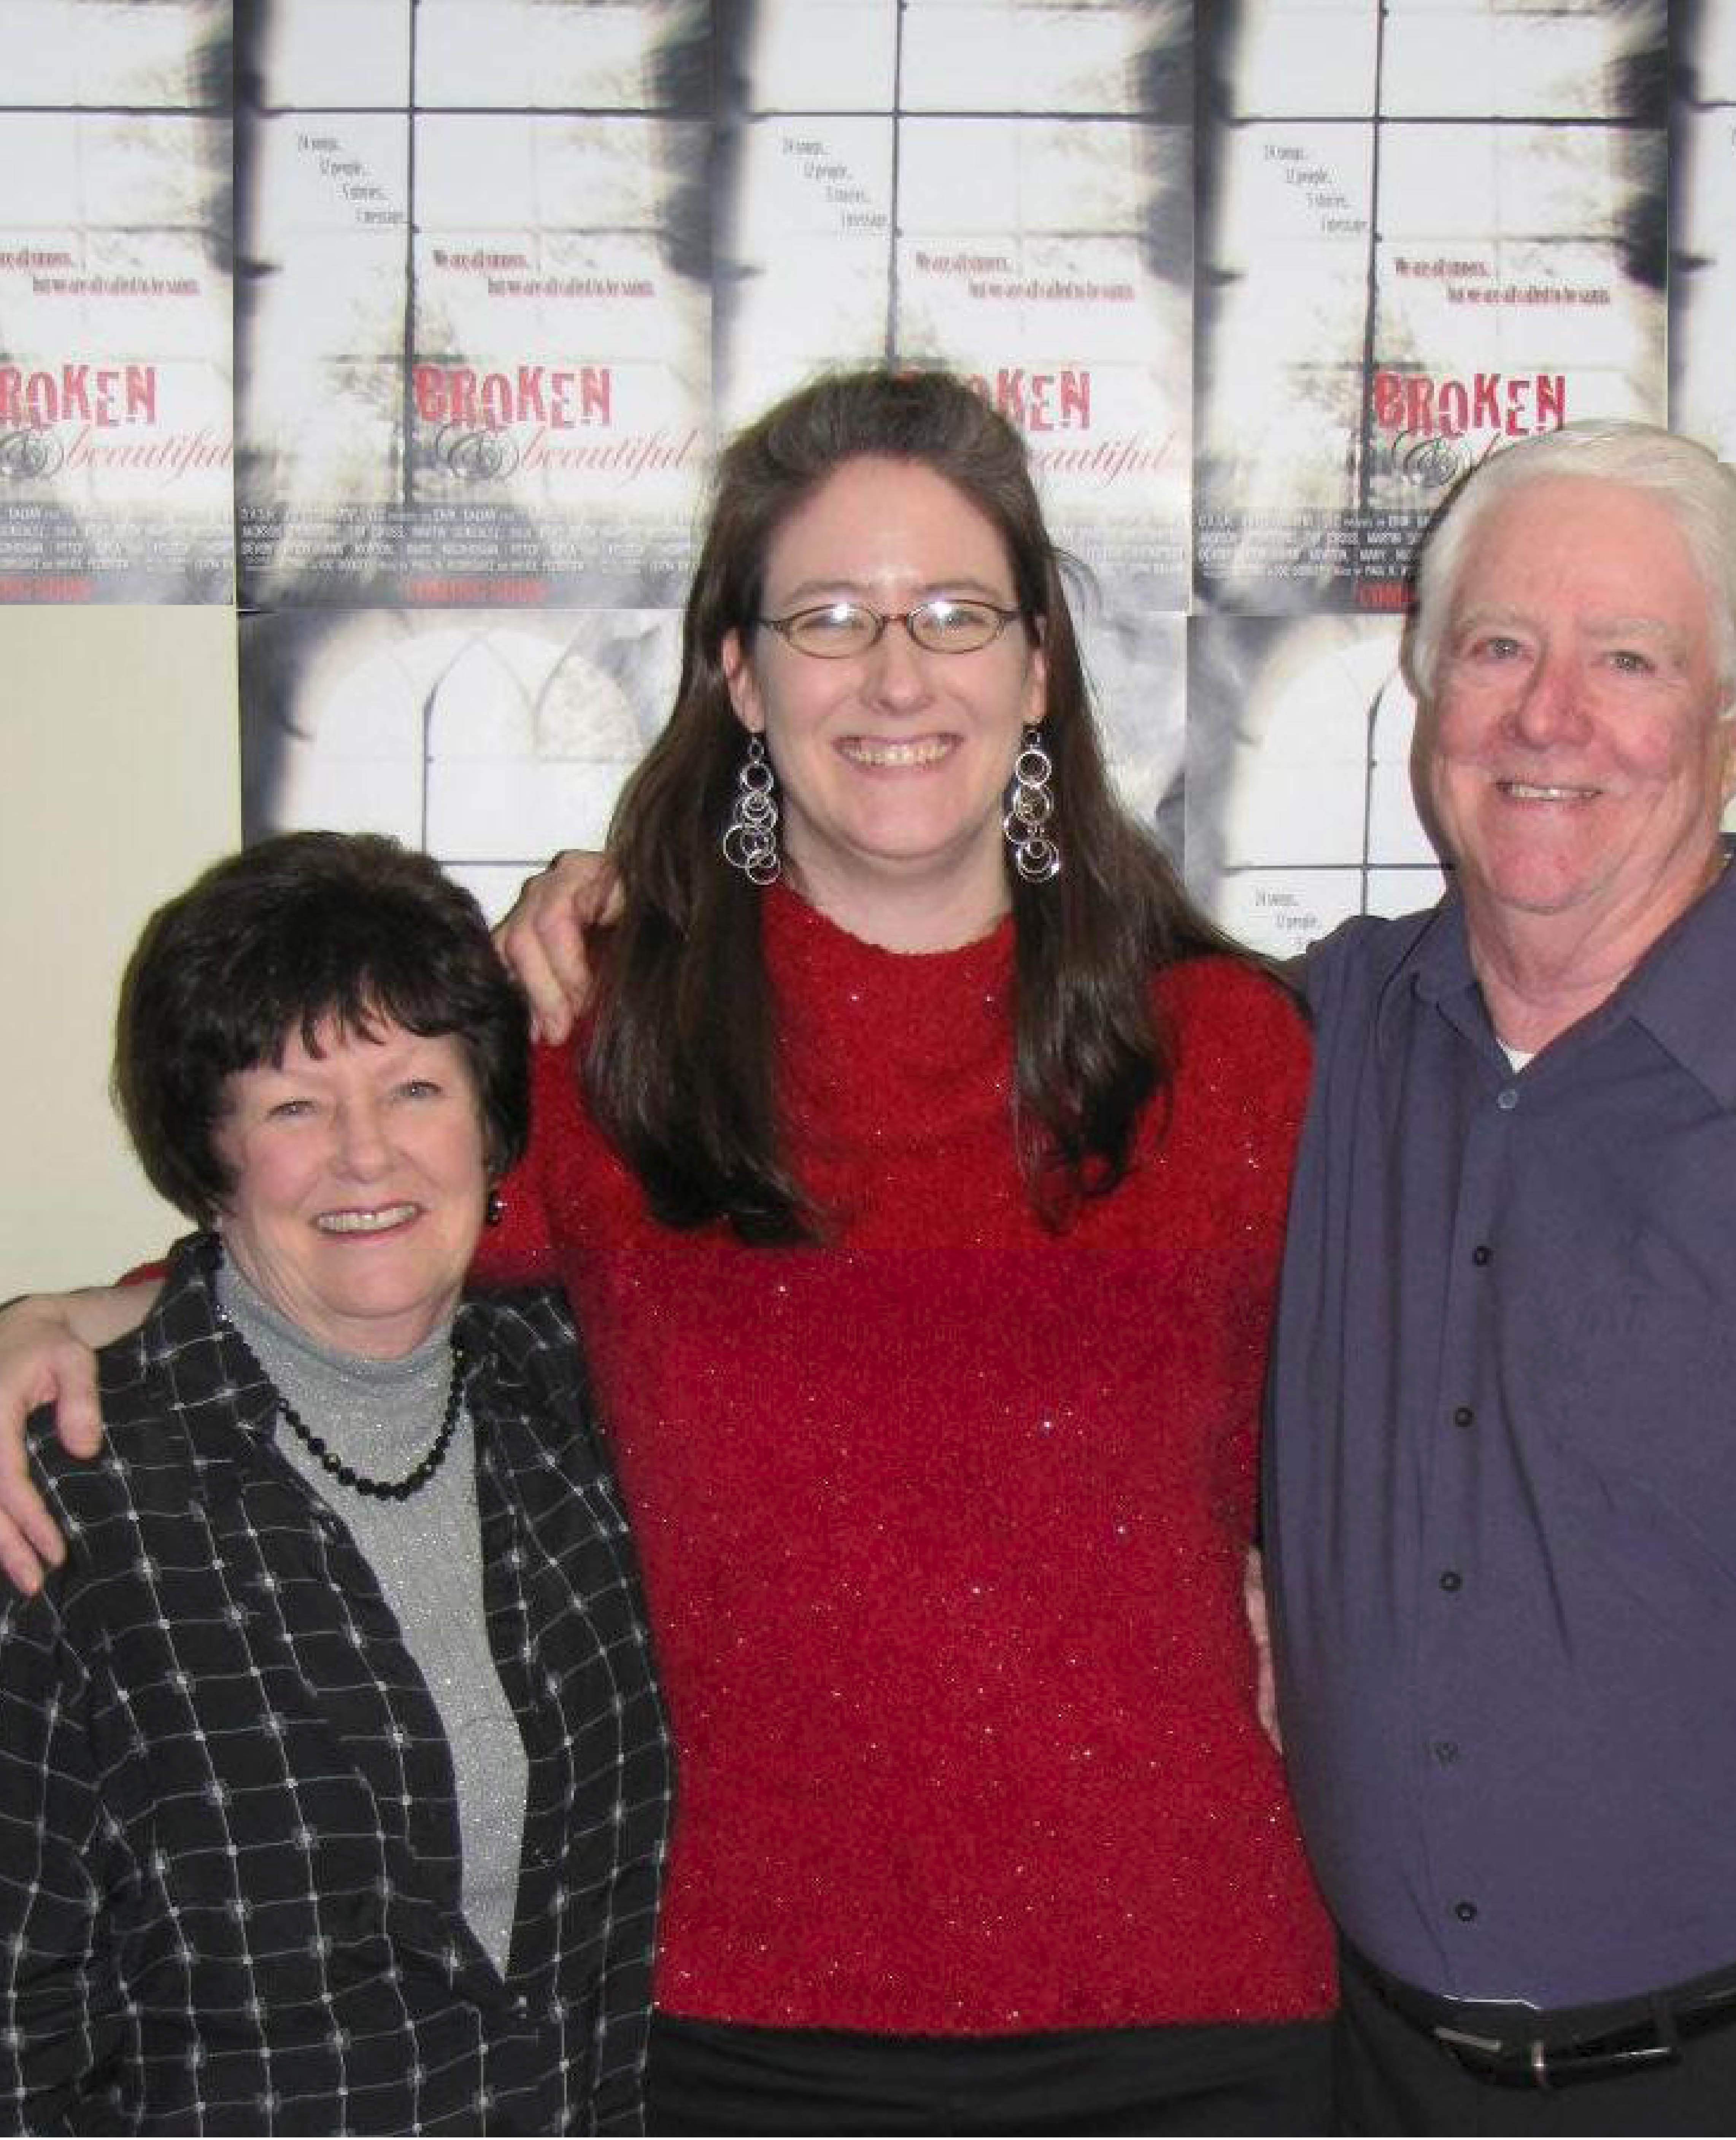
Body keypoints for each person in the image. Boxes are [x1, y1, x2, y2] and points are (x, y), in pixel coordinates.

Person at [0, 372, 1334, 2134]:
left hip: (1194, 2016)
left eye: (953, 614)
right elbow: (363, 1240)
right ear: (738, 676)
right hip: (737, 2032)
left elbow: (1372, 1457)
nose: (895, 675)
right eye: (828, 618)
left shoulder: (1226, 1057)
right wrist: (78, 1314)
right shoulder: (616, 1044)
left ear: (1037, 665)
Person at [1267, 421, 1736, 2133]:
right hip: (1359, 2080)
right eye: (1498, 648)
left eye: (1626, 658)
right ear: (1427, 704)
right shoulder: (1306, 1049)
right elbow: (969, 1035)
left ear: (1733, 731)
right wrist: (649, 907)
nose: (1548, 717)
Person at [0, 832, 669, 2133]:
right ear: (212, 1154)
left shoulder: (598, 1415)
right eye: (294, 1107)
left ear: (491, 1131)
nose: (368, 1157)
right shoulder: (73, 1491)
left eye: (415, 1089)